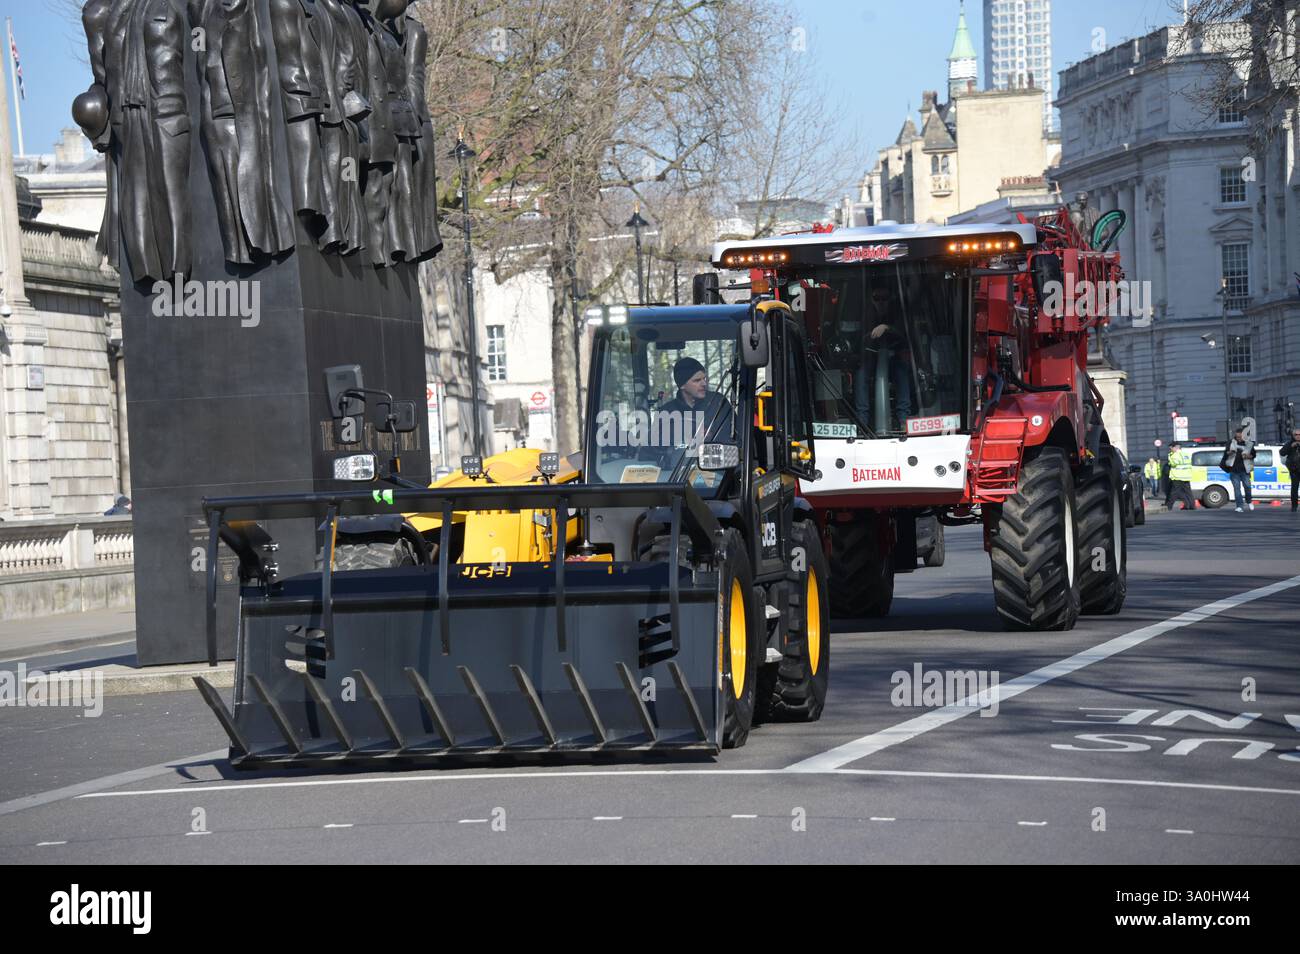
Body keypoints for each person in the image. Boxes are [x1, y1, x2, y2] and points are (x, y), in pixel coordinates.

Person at [853, 285, 914, 429]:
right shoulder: (864, 315)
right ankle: (862, 421)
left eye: (884, 298)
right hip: (870, 359)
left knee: (902, 372)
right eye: (877, 298)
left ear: (890, 299)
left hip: (894, 358)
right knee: (861, 374)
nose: (881, 302)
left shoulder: (899, 314)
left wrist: (887, 328)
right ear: (871, 299)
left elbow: (907, 334)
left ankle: (903, 420)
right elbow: (856, 339)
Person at [657, 356, 735, 447]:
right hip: (680, 461)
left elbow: (737, 437)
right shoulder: (666, 413)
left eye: (704, 379)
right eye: (697, 380)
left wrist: (711, 437)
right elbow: (653, 453)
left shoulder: (718, 403)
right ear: (682, 385)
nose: (704, 384)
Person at [1223, 427, 1256, 512]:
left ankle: (1249, 501)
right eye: (1237, 437)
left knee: (1247, 487)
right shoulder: (1231, 442)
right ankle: (1239, 506)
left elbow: (1253, 454)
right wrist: (1230, 452)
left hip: (1245, 469)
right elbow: (1226, 453)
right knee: (1237, 488)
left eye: (1240, 437)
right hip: (1234, 470)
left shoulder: (1249, 443)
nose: (1238, 439)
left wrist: (1248, 456)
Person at [1167, 442, 1195, 511]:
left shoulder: (1175, 455)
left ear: (1175, 447)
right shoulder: (1186, 454)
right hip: (1186, 476)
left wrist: (1169, 458)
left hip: (1178, 476)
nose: (1170, 450)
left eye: (1171, 448)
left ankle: (1169, 506)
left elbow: (1174, 464)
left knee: (1174, 492)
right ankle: (1192, 506)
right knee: (1188, 492)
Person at [1282, 427, 1300, 512]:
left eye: (1299, 435)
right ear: (1293, 435)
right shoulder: (1289, 443)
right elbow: (1282, 452)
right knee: (1294, 488)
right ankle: (1294, 506)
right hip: (1294, 470)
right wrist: (1290, 447)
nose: (1298, 436)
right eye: (1296, 435)